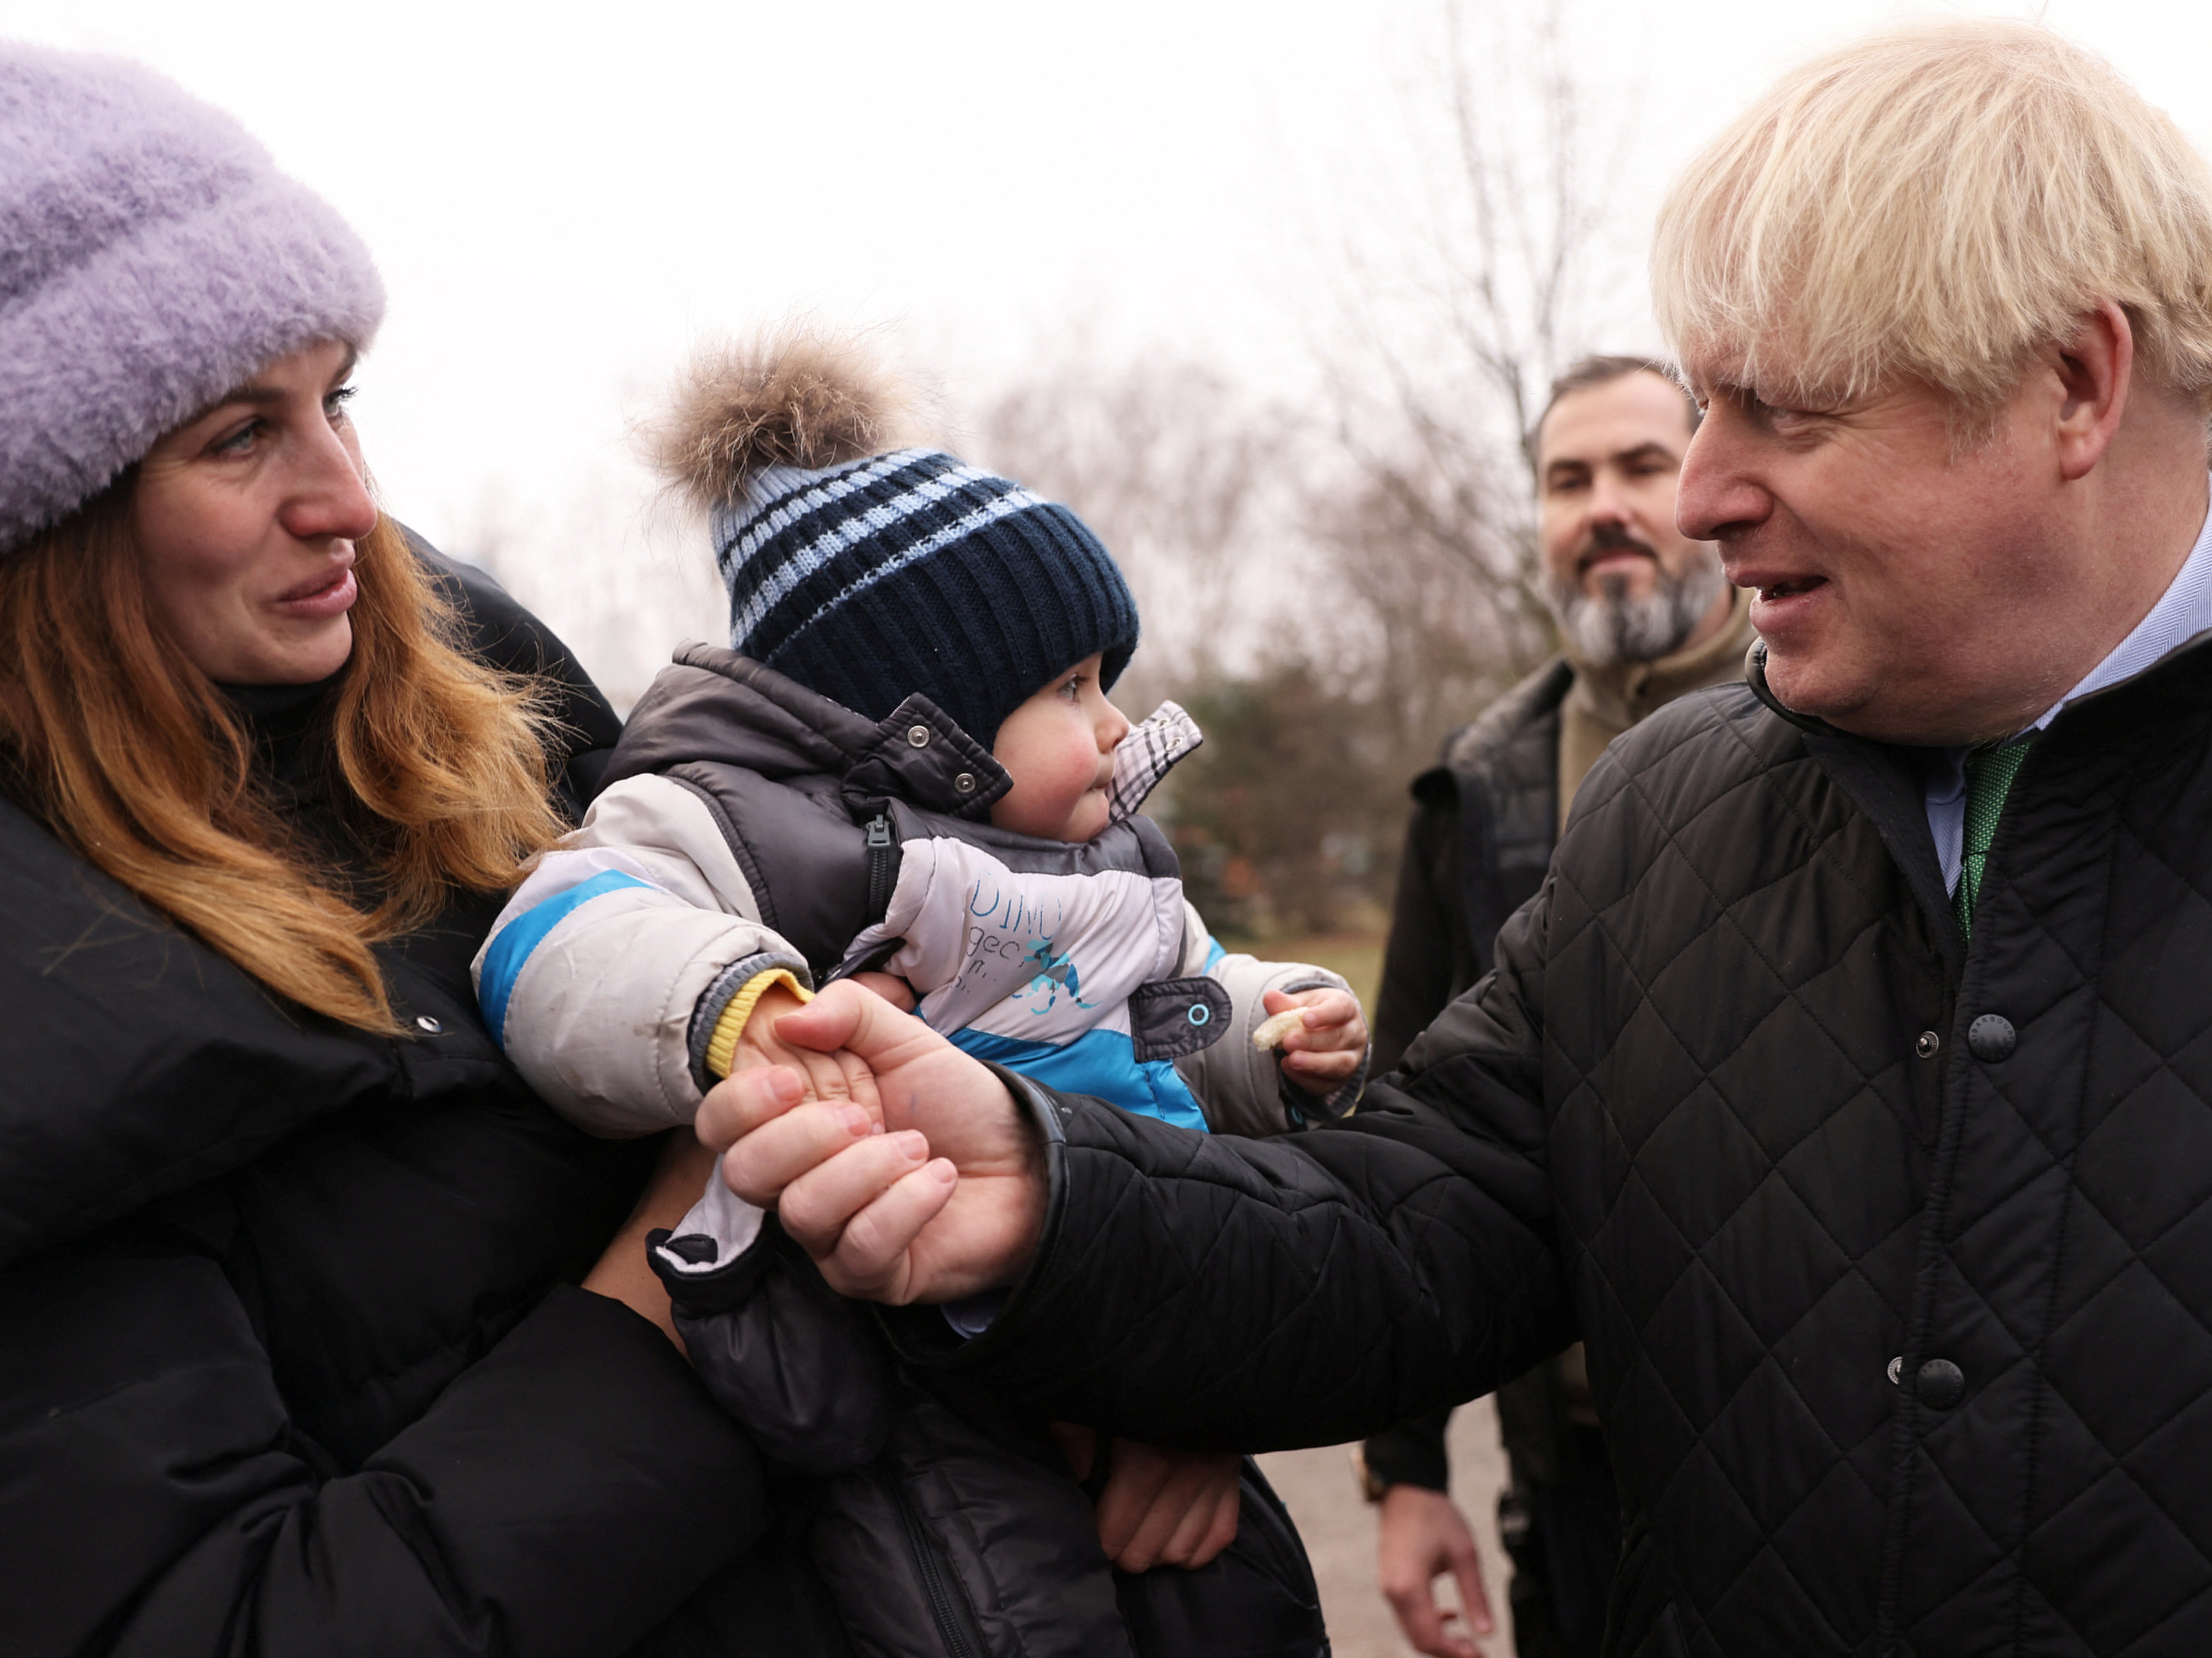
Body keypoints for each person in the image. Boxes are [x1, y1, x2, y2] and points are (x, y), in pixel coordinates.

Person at [690, 20, 2212, 1657]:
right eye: (1702, 408)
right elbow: (1398, 1234)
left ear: (2073, 384)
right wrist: (1054, 1199)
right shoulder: (1666, 818)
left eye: (1785, 413)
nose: (1701, 496)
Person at [0, 44, 846, 1654]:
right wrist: (701, 1259)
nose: (349, 499)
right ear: (56, 519)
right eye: (240, 435)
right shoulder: (41, 1010)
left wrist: (1086, 1331)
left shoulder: (493, 748)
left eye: (338, 399)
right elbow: (219, 1619)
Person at [474, 334, 1365, 1656]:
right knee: (987, 1611)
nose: (1114, 727)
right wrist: (733, 1005)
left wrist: (1270, 1030)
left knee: (1222, 1599)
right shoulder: (730, 828)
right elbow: (554, 938)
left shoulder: (1110, 860)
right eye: (1069, 689)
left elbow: (1174, 1005)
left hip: (1142, 1305)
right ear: (926, 721)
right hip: (900, 1367)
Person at [1362, 356, 1752, 1658]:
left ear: (1703, 480)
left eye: (1641, 466)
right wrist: (1407, 1468)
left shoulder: (1835, 711)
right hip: (1572, 1470)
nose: (1605, 509)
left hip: (1811, 1441)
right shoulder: (1474, 787)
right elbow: (1400, 1121)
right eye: (1566, 480)